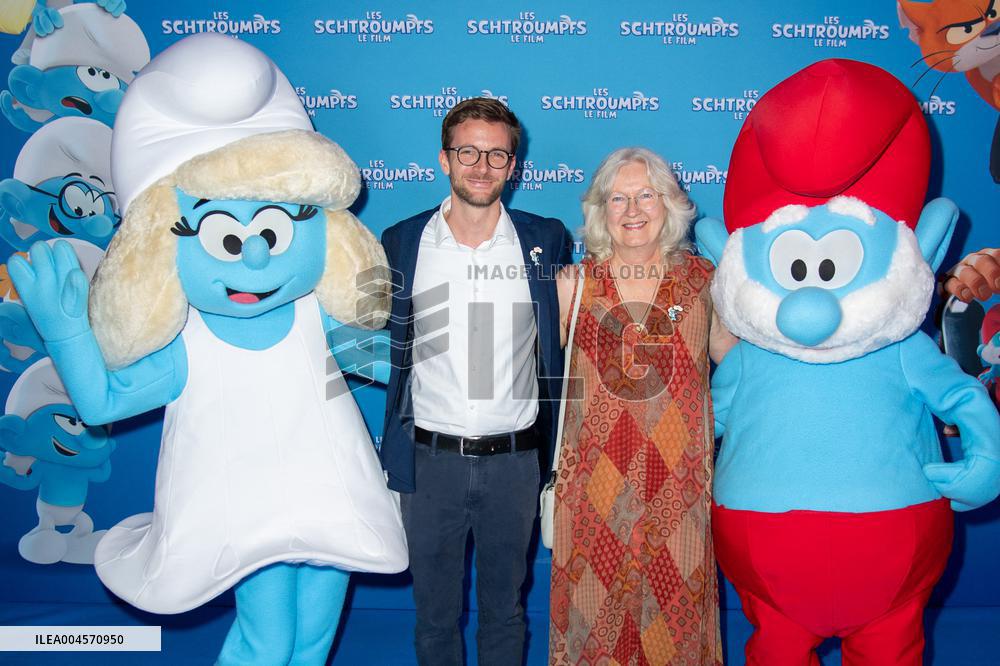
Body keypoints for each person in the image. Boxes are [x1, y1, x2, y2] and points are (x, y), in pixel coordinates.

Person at [379, 98, 573, 666]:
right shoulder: (404, 242)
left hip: (514, 464)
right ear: (444, 159)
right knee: (434, 617)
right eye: (468, 151)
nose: (481, 165)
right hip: (429, 462)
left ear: (513, 166)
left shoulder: (546, 239)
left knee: (505, 613)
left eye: (496, 154)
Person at [549, 147, 729, 665]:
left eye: (646, 195)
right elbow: (530, 374)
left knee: (677, 622)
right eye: (618, 197)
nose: (632, 209)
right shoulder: (574, 285)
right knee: (594, 623)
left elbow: (739, 371)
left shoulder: (704, 283)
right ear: (599, 210)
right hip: (594, 491)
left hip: (679, 490)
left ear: (669, 204)